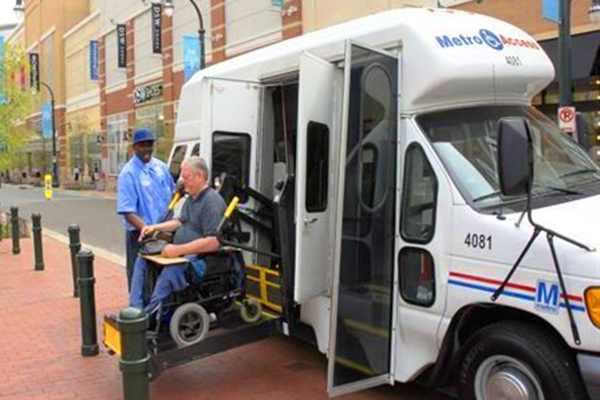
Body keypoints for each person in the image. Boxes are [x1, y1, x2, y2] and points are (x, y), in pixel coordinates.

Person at [129, 157, 227, 316]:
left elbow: (213, 242)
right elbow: (180, 222)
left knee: (171, 270)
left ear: (200, 176)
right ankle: (134, 309)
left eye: (186, 177)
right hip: (180, 252)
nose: (182, 182)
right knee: (142, 260)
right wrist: (153, 227)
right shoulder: (192, 198)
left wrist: (178, 249)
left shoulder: (212, 202)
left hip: (201, 259)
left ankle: (150, 315)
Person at [117, 127, 175, 291]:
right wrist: (152, 232)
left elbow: (173, 192)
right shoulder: (128, 174)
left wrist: (182, 187)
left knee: (162, 279)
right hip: (140, 237)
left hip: (164, 234)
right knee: (141, 281)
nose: (146, 149)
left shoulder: (161, 168)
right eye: (142, 145)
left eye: (149, 144)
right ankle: (138, 314)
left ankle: (160, 314)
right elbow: (128, 213)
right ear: (134, 147)